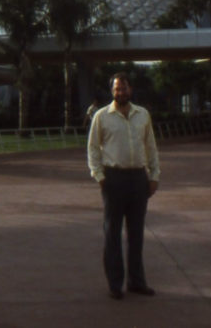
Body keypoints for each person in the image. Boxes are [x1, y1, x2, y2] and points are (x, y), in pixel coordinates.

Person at [87, 72, 160, 300]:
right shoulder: (101, 117)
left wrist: (154, 175)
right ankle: (115, 284)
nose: (121, 93)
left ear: (131, 89)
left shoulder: (143, 115)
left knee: (136, 233)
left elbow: (151, 147)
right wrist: (99, 176)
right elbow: (92, 149)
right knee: (112, 233)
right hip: (113, 178)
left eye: (124, 88)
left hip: (138, 178)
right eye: (117, 89)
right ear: (112, 91)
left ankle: (137, 282)